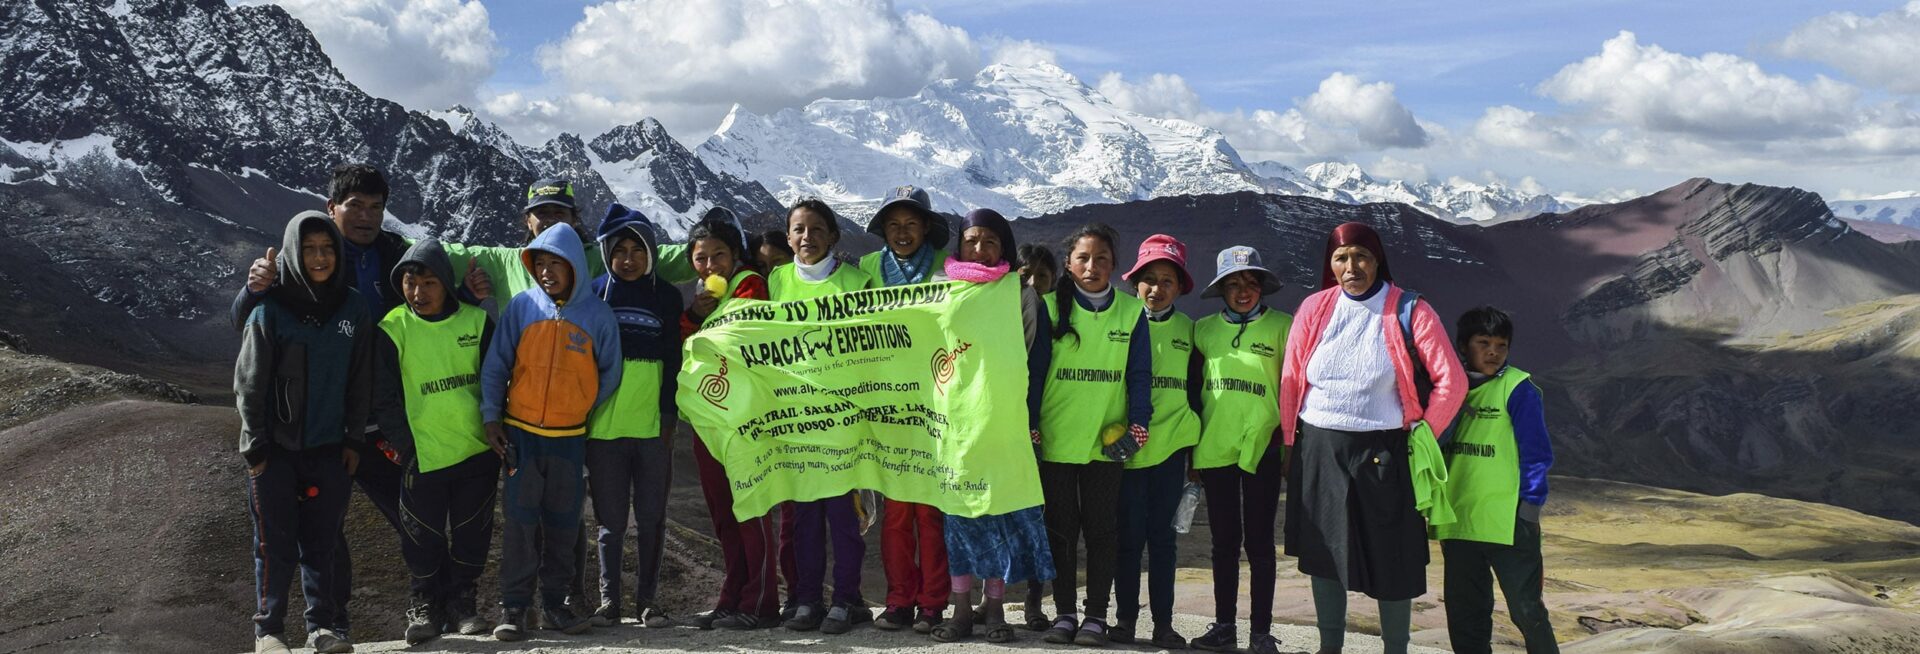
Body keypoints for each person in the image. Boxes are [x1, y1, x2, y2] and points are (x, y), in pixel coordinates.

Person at [232, 165, 416, 641]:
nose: (367, 217)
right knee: (304, 539)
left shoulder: (393, 258)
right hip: (300, 438)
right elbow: (248, 344)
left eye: (377, 207)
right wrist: (252, 289)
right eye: (355, 205)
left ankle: (419, 610)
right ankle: (304, 627)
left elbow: (437, 301)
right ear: (331, 208)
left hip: (370, 431)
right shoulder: (282, 282)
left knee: (413, 521)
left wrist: (471, 291)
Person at [1279, 222, 1466, 654]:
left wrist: (1421, 435)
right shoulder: (1315, 308)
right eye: (1341, 258)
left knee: (1392, 554)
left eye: (1361, 256)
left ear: (1378, 259)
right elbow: (1291, 379)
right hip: (1321, 446)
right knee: (1324, 552)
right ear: (1330, 265)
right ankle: (1330, 647)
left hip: (1384, 450)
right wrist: (1291, 441)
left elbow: (1451, 382)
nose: (1352, 266)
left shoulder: (1410, 310)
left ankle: (1395, 649)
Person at [236, 212, 372, 654]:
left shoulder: (352, 306)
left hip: (330, 449)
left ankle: (322, 627)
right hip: (275, 450)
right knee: (273, 545)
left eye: (328, 248)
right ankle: (269, 632)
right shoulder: (270, 308)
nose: (320, 257)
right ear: (294, 252)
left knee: (323, 542)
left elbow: (360, 378)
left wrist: (353, 439)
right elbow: (249, 381)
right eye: (310, 248)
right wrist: (255, 446)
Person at [479, 223, 622, 641]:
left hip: (569, 439)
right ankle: (515, 607)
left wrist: (579, 407)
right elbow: (496, 364)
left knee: (563, 523)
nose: (545, 271)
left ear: (574, 265)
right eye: (539, 263)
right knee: (521, 523)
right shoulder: (522, 307)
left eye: (554, 263)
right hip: (520, 436)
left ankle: (556, 604)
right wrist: (492, 415)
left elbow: (610, 372)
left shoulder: (597, 315)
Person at [930, 209, 1056, 644]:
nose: (980, 250)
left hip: (1001, 421)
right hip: (953, 425)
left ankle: (996, 608)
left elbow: (1026, 352)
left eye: (990, 243)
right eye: (972, 241)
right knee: (960, 520)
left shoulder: (1018, 293)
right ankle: (961, 610)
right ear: (959, 245)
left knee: (998, 518)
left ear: (1003, 247)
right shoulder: (939, 291)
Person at [370, 240, 499, 645]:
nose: (418, 292)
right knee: (421, 537)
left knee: (471, 533)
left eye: (428, 282)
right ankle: (424, 604)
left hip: (476, 451)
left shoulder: (477, 323)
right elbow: (384, 396)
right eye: (411, 282)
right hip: (422, 456)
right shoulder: (393, 328)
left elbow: (496, 381)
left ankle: (463, 603)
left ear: (445, 283)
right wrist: (407, 446)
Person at [764, 199, 877, 635]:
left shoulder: (856, 282)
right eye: (797, 230)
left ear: (832, 235)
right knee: (805, 517)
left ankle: (847, 598)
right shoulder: (777, 281)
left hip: (846, 419)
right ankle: (808, 598)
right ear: (788, 237)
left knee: (844, 516)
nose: (806, 237)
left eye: (815, 229)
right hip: (796, 420)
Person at [1037, 223, 1152, 647]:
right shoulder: (1049, 308)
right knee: (1061, 530)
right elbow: (1033, 377)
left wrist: (1139, 425)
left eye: (1101, 258)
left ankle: (1096, 617)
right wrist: (1031, 423)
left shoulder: (1130, 311)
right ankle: (1064, 613)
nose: (1092, 266)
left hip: (1107, 444)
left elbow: (1140, 375)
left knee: (1102, 532)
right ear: (1069, 264)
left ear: (1114, 266)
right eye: (1083, 258)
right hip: (1056, 440)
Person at [583, 204, 685, 629]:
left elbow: (673, 360)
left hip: (651, 431)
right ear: (607, 253)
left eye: (637, 249)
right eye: (619, 249)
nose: (628, 259)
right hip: (603, 430)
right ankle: (611, 603)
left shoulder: (666, 296)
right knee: (610, 523)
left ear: (650, 253)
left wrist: (667, 417)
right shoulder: (592, 293)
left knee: (651, 519)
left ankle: (648, 602)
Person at [1187, 246, 1293, 654]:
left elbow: (1292, 389)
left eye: (1251, 282)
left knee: (1261, 543)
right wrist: (1191, 453)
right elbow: (1194, 392)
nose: (1243, 290)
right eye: (1234, 283)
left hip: (1262, 449)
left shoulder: (1284, 327)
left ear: (1262, 287)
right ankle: (1225, 626)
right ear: (1222, 290)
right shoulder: (1204, 331)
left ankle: (1261, 632)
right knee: (1224, 541)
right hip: (1215, 449)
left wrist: (1288, 444)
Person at [681, 213, 784, 630]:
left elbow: (741, 338)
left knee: (749, 507)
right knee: (723, 513)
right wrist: (693, 312)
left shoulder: (749, 286)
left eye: (718, 256)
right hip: (709, 419)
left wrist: (701, 319)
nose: (710, 267)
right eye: (701, 258)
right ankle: (733, 594)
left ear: (735, 255)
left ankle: (761, 601)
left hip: (744, 417)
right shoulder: (704, 297)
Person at [1436, 307, 1559, 654]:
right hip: (1459, 521)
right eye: (1484, 343)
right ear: (1463, 346)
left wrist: (1530, 508)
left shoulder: (1519, 388)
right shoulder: (1446, 389)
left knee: (1527, 611)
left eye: (1501, 345)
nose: (1493, 352)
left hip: (1509, 524)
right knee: (1465, 614)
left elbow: (1536, 453)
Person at [862, 186, 955, 634]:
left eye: (911, 224)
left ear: (926, 228)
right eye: (893, 224)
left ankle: (933, 602)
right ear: (883, 229)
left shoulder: (948, 271)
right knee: (897, 513)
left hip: (935, 406)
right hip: (885, 407)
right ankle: (899, 600)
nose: (902, 232)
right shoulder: (864, 270)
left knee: (931, 513)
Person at [1108, 234, 1202, 650]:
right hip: (1126, 450)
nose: (1156, 289)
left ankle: (1163, 625)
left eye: (1167, 280)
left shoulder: (1190, 331)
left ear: (1179, 287)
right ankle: (1125, 621)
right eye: (1148, 279)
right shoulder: (1121, 320)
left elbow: (1198, 392)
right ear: (1134, 283)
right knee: (1127, 540)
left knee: (1163, 541)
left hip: (1171, 450)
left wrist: (1195, 453)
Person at [1013, 240, 1059, 631]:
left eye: (1040, 277)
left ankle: (1033, 600)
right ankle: (987, 597)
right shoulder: (1003, 314)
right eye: (1024, 275)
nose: (1031, 284)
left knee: (1038, 519)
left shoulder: (1062, 316)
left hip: (1046, 431)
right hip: (1008, 425)